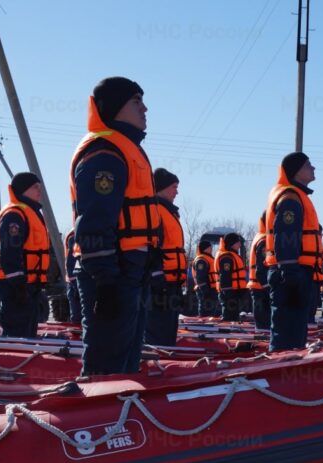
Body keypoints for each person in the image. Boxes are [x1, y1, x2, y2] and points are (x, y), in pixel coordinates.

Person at [70, 77, 161, 375]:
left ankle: (121, 418)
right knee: (108, 361)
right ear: (116, 106)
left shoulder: (126, 149)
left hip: (131, 269)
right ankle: (97, 418)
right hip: (112, 271)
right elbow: (95, 219)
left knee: (126, 361)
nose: (145, 108)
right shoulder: (104, 153)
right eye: (137, 101)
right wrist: (106, 280)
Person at [264, 152, 322, 351]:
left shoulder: (298, 196)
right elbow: (286, 235)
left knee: (295, 329)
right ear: (297, 171)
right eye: (309, 165)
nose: (313, 168)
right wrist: (289, 272)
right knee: (287, 329)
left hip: (296, 270)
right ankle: (279, 370)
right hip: (290, 272)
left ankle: (290, 366)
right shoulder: (290, 198)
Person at [0, 172, 50, 337]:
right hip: (15, 286)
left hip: (28, 286)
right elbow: (9, 252)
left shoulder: (29, 212)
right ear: (23, 189)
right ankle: (8, 361)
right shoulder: (14, 215)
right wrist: (18, 284)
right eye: (35, 187)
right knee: (16, 334)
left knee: (27, 333)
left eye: (40, 187)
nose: (40, 191)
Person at [145, 168, 186, 345]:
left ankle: (168, 361)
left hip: (172, 283)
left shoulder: (169, 212)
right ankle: (155, 364)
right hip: (161, 284)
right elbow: (151, 246)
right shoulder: (155, 211)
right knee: (158, 330)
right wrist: (157, 277)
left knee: (169, 330)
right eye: (174, 187)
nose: (177, 191)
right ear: (162, 187)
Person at [214, 232, 247, 321]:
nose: (240, 244)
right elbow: (225, 275)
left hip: (234, 291)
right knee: (229, 315)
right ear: (232, 243)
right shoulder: (226, 257)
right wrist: (228, 292)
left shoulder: (231, 255)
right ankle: (226, 331)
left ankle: (232, 330)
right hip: (229, 292)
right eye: (238, 242)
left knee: (233, 315)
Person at [246, 212, 270, 330]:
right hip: (260, 286)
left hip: (259, 285)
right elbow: (261, 268)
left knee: (263, 318)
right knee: (263, 320)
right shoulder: (264, 241)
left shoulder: (262, 237)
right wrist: (267, 286)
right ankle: (262, 337)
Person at [192, 239, 218, 317]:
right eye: (210, 247)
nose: (211, 248)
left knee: (211, 310)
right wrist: (204, 290)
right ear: (205, 248)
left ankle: (208, 324)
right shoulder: (201, 260)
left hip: (211, 289)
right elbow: (200, 276)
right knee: (205, 310)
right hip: (206, 290)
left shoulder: (208, 258)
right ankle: (203, 324)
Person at [64, 228, 82, 323]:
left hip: (76, 282)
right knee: (77, 318)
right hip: (75, 283)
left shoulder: (75, 234)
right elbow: (72, 263)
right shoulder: (74, 236)